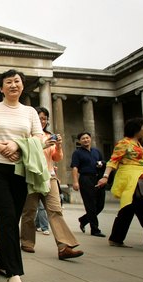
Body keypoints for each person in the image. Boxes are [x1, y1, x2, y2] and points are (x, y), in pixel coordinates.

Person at [0, 69, 45, 282]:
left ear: (22, 86)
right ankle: (15, 274)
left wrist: (17, 145)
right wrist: (3, 148)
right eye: (9, 82)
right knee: (6, 216)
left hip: (20, 168)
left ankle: (2, 261)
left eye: (17, 81)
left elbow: (39, 137)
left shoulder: (30, 112)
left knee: (12, 217)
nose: (13, 85)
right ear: (1, 87)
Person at [20, 107, 84, 260]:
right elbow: (24, 154)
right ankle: (27, 241)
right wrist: (42, 145)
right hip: (31, 177)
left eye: (44, 118)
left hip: (50, 177)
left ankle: (64, 246)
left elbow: (57, 158)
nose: (42, 121)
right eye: (39, 117)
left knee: (55, 209)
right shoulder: (26, 135)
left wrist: (59, 146)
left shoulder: (50, 136)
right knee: (29, 211)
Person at [96, 118, 143, 252]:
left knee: (128, 210)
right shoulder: (124, 143)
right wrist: (105, 176)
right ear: (136, 129)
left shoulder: (139, 144)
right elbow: (113, 161)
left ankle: (116, 238)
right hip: (130, 180)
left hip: (139, 178)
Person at [70, 132, 106, 237]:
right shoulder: (77, 153)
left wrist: (102, 164)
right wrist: (75, 181)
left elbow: (102, 162)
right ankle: (95, 229)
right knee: (90, 205)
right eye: (83, 138)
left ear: (90, 139)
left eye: (87, 138)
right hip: (86, 179)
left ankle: (83, 220)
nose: (85, 140)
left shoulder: (96, 151)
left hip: (98, 178)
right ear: (79, 141)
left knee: (100, 205)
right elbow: (75, 167)